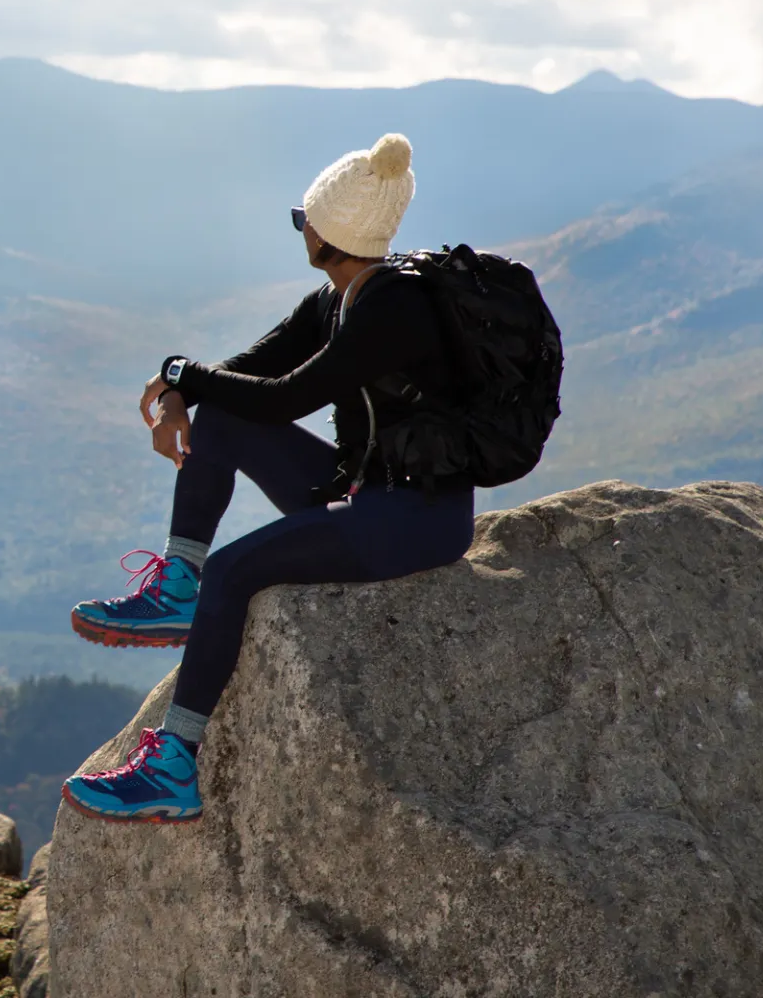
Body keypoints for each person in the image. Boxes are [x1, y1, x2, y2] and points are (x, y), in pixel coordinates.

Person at [60, 132, 477, 824]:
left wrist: (180, 377)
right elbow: (247, 369)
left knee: (235, 574)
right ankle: (177, 582)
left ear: (328, 233)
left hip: (416, 521)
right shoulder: (341, 297)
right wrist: (178, 388)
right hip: (366, 491)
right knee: (224, 415)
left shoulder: (393, 312)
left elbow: (286, 398)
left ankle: (172, 767)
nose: (300, 229)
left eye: (302, 219)